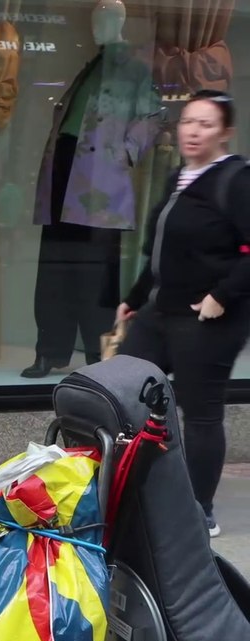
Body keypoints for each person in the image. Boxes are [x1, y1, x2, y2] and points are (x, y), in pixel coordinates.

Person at [117, 89, 250, 538]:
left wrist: (223, 296)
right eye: (188, 121)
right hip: (162, 308)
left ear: (225, 132)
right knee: (127, 386)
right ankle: (133, 487)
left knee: (201, 412)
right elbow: (162, 246)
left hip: (210, 316)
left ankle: (199, 510)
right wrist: (135, 298)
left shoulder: (236, 178)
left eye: (206, 124)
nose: (193, 131)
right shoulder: (181, 176)